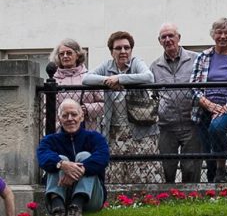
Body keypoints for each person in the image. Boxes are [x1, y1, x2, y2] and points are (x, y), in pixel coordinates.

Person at [82, 31, 161, 184]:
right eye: (118, 48)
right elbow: (86, 78)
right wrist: (108, 80)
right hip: (115, 129)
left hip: (140, 127)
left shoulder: (136, 62)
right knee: (117, 168)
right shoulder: (107, 66)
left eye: (127, 47)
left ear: (131, 49)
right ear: (112, 51)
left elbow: (148, 76)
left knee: (142, 169)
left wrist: (120, 79)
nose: (123, 51)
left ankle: (144, 200)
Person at [190, 18, 227, 183]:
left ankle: (221, 169)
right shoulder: (203, 57)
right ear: (213, 34)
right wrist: (209, 105)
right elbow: (194, 86)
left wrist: (225, 107)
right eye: (219, 32)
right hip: (204, 106)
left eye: (226, 32)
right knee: (207, 149)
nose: (222, 36)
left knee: (217, 128)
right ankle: (213, 178)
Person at [37, 99, 109, 216]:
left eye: (74, 114)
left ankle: (77, 205)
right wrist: (62, 165)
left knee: (84, 156)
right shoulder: (50, 140)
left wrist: (78, 169)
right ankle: (57, 206)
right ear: (59, 119)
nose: (70, 119)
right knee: (59, 159)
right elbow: (42, 157)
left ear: (81, 117)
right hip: (61, 195)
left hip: (91, 198)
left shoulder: (95, 137)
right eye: (65, 116)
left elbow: (103, 157)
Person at [150, 23, 201, 183]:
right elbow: (153, 95)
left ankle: (191, 200)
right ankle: (168, 200)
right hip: (166, 126)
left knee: (191, 168)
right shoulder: (155, 66)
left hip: (192, 123)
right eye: (163, 37)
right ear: (159, 41)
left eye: (171, 35)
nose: (168, 39)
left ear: (179, 38)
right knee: (167, 168)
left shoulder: (195, 59)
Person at [50, 39, 104, 131]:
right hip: (60, 131)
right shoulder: (53, 80)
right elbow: (45, 110)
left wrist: (87, 109)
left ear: (78, 55)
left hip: (87, 129)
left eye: (69, 53)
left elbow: (104, 104)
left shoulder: (89, 77)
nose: (65, 56)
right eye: (62, 54)